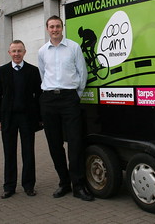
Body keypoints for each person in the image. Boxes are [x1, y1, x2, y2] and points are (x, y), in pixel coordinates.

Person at [38, 15, 94, 201]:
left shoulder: (74, 47)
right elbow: (43, 74)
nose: (55, 29)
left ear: (62, 28)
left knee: (75, 143)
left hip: (70, 98)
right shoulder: (42, 51)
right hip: (48, 100)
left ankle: (79, 185)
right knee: (54, 144)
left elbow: (82, 73)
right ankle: (64, 183)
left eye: (57, 26)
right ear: (47, 29)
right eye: (51, 27)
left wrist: (75, 95)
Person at [0, 40, 42, 198]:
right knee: (9, 152)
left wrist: (39, 118)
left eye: (19, 51)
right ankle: (9, 186)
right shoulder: (2, 71)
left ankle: (28, 185)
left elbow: (39, 96)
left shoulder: (33, 71)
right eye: (13, 51)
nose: (16, 54)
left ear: (24, 52)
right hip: (8, 118)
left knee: (28, 152)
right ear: (9, 53)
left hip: (27, 118)